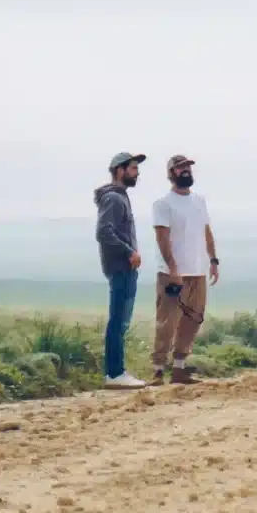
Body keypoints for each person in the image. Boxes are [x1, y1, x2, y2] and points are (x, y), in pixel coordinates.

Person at [151, 154, 218, 384]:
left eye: (188, 167)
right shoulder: (163, 203)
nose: (186, 170)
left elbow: (206, 233)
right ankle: (158, 370)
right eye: (180, 168)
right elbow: (162, 237)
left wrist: (214, 260)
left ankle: (179, 368)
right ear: (171, 173)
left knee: (193, 320)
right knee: (167, 322)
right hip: (172, 274)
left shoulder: (200, 201)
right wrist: (173, 269)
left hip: (198, 271)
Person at [94, 151, 148, 388]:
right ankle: (115, 374)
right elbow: (103, 232)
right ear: (119, 170)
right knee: (118, 321)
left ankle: (116, 372)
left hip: (123, 267)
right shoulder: (114, 199)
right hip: (120, 267)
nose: (137, 172)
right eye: (133, 168)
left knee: (120, 320)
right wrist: (129, 252)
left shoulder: (119, 197)